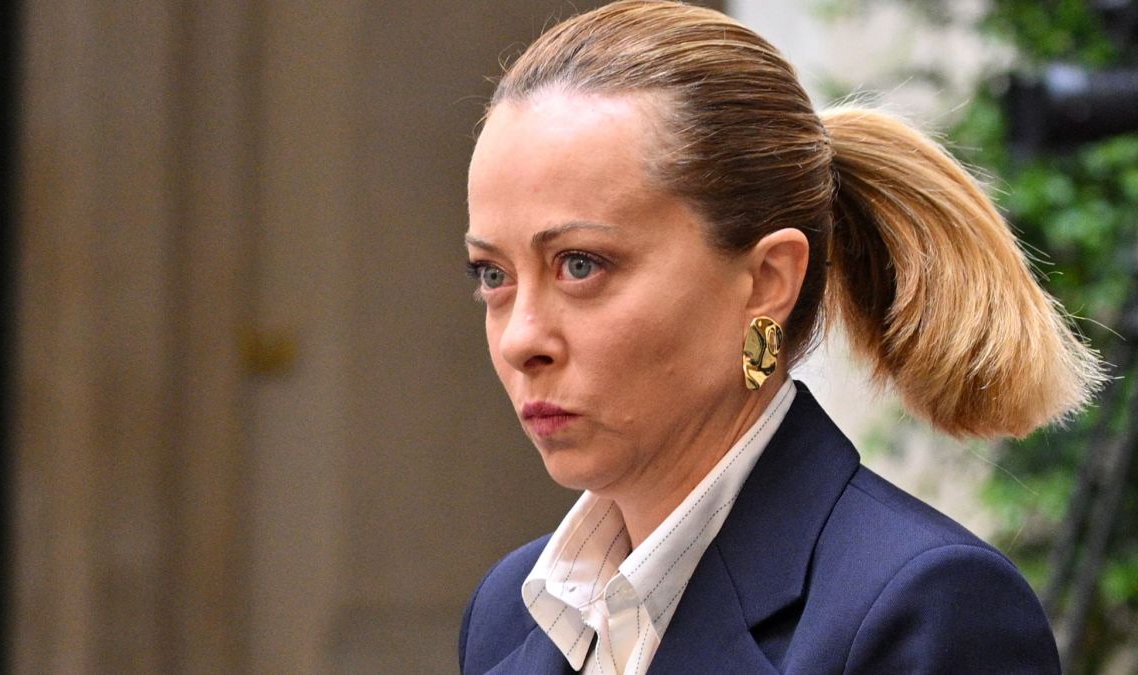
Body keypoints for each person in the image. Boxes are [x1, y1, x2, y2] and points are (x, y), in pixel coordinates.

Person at [458, 1, 1104, 673]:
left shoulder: (926, 610)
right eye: (492, 274)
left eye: (581, 265)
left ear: (768, 280)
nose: (520, 339)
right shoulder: (510, 610)